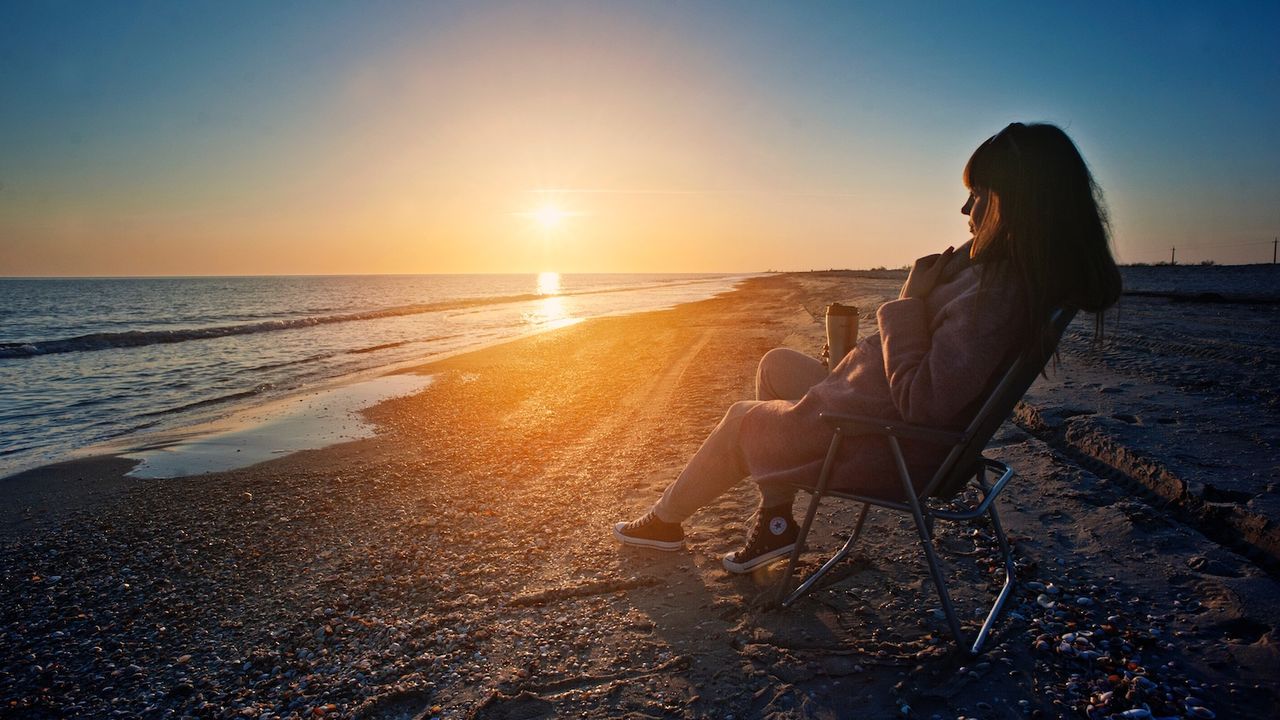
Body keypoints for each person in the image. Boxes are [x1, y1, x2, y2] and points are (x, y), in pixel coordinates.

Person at [613, 122, 1123, 573]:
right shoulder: (1002, 280)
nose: (965, 208)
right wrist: (860, 361)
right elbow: (932, 369)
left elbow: (923, 403)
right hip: (871, 417)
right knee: (776, 367)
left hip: (882, 443)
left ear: (1014, 203)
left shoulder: (995, 295)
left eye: (979, 195)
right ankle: (775, 526)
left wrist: (908, 300)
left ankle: (663, 524)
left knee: (743, 418)